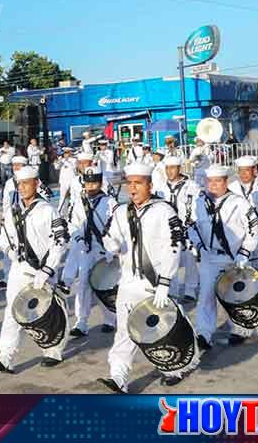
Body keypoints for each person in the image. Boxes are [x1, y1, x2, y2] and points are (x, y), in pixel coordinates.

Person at [96, 164, 186, 394]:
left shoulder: (164, 211)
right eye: (129, 183)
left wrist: (165, 282)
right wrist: (111, 244)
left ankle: (172, 367)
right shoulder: (120, 211)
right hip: (128, 282)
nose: (132, 188)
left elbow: (175, 246)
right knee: (125, 331)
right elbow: (108, 236)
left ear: (150, 185)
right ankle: (118, 376)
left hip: (156, 282)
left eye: (138, 183)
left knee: (163, 329)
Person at [0, 166, 68, 373]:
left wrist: (48, 270)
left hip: (43, 271)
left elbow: (60, 241)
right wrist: (10, 251)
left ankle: (53, 351)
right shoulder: (12, 211)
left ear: (36, 184)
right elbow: (4, 238)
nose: (22, 188)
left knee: (47, 312)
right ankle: (6, 356)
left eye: (26, 183)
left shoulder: (48, 210)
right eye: (19, 184)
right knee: (12, 311)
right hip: (20, 269)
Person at [190, 165, 258, 349]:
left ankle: (239, 329)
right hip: (209, 258)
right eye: (210, 181)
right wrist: (198, 245)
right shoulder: (199, 203)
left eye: (217, 181)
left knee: (236, 296)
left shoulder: (239, 203)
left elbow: (254, 230)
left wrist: (245, 252)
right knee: (205, 296)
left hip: (234, 258)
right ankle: (204, 333)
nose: (213, 185)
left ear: (225, 182)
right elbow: (190, 226)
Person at [59, 172, 116, 337]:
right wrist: (78, 238)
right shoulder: (78, 202)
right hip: (85, 248)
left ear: (100, 184)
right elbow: (71, 223)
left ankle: (109, 320)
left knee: (104, 285)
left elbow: (117, 225)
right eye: (88, 183)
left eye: (94, 183)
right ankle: (81, 322)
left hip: (103, 247)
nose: (91, 187)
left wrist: (113, 248)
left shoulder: (109, 202)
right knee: (83, 284)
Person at [158, 156, 201, 302]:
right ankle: (172, 291)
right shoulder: (161, 187)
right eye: (167, 168)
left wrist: (189, 225)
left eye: (173, 168)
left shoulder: (191, 186)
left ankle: (190, 290)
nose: (169, 171)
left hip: (186, 229)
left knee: (190, 259)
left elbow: (196, 208)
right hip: (167, 231)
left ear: (179, 168)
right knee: (169, 260)